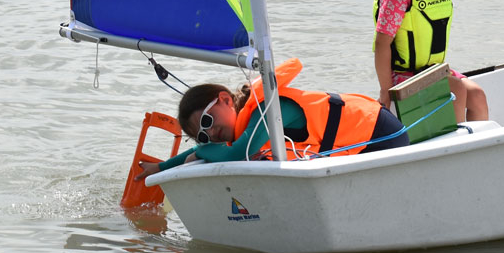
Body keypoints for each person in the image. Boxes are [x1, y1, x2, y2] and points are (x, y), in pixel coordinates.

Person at [142, 59, 409, 174]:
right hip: (360, 142)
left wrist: (202, 151)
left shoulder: (269, 107)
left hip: (382, 133)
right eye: (202, 135)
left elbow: (239, 153)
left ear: (225, 99)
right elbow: (203, 150)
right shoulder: (238, 126)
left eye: (207, 122)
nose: (211, 134)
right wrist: (161, 168)